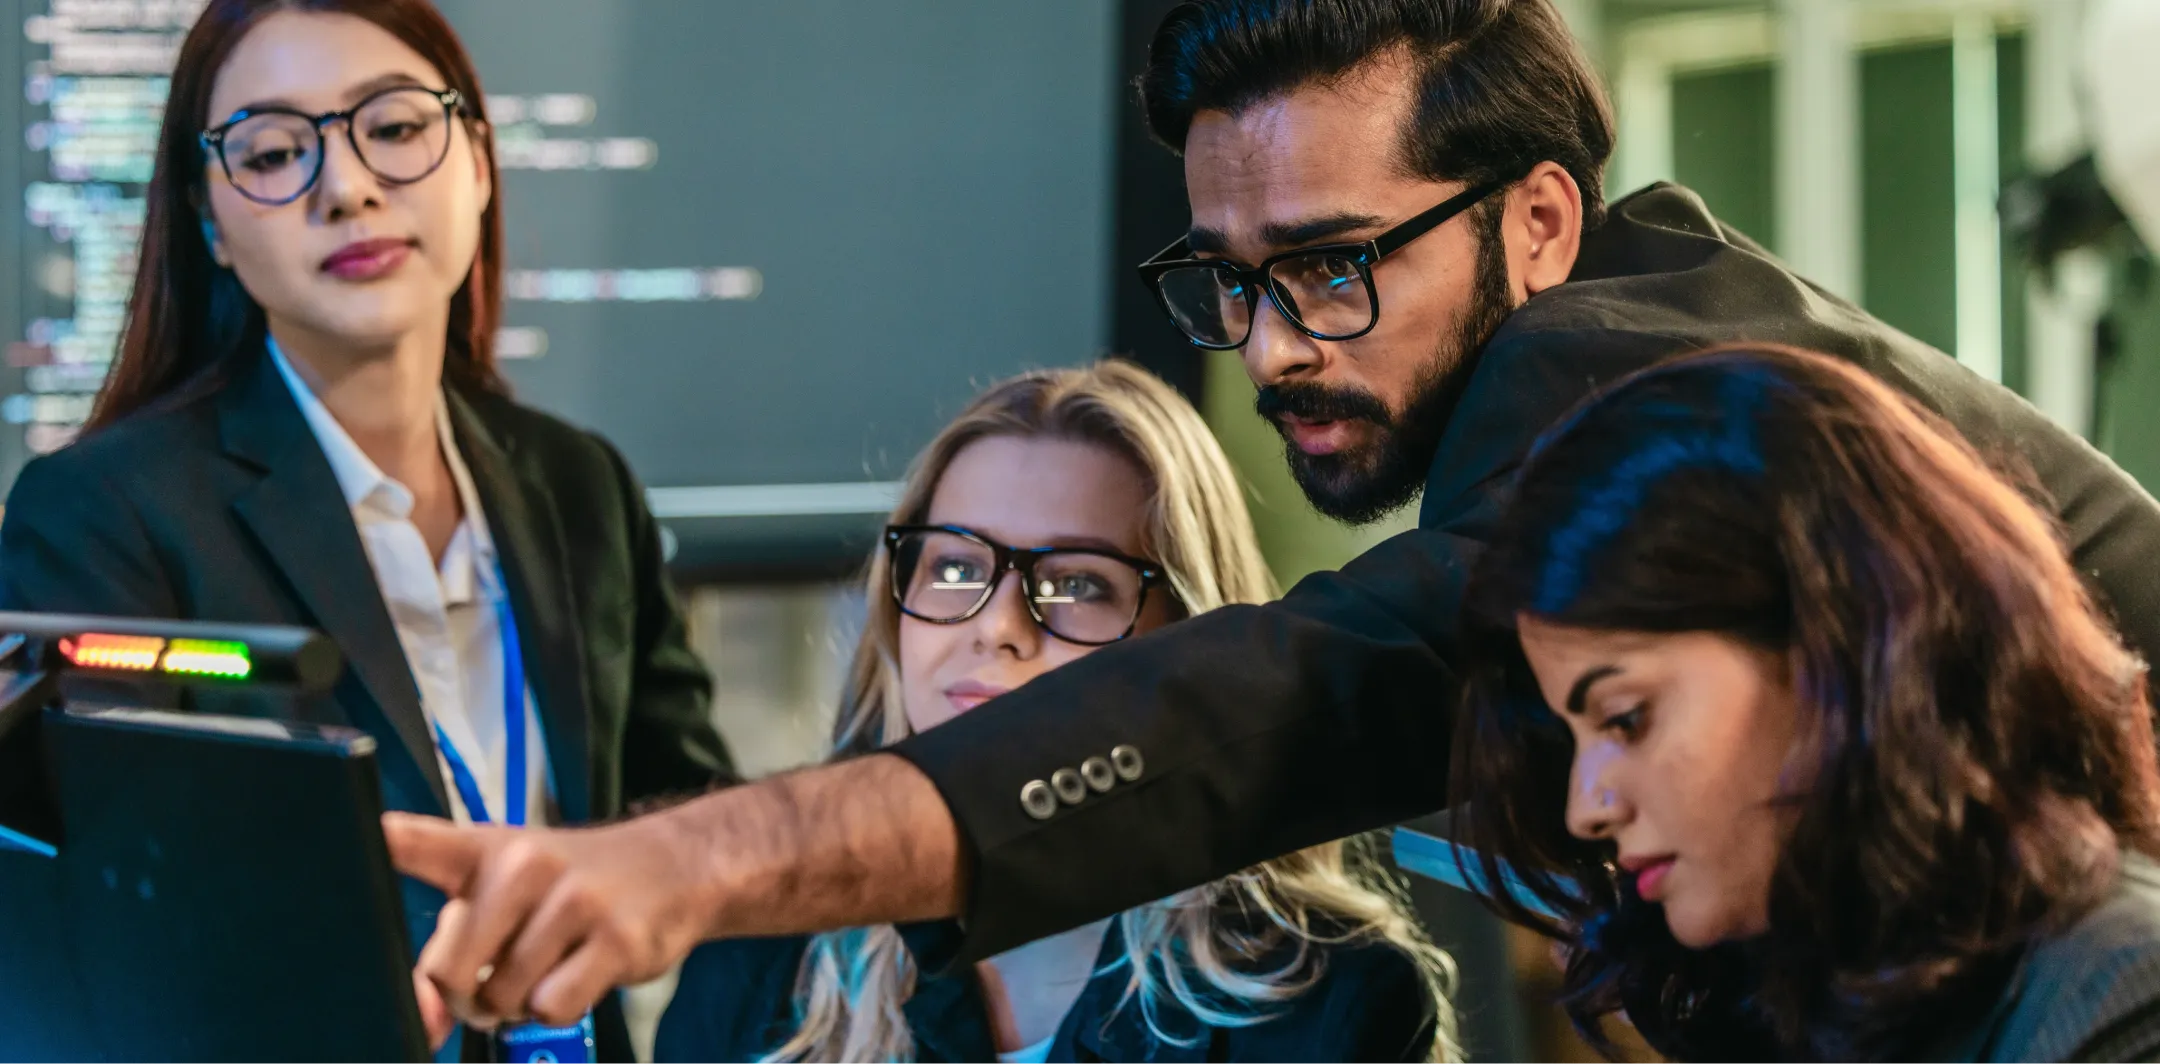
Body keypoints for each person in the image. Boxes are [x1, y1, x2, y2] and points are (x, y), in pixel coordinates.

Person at [382, 0, 2160, 1035]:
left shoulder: (1605, 387)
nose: (1274, 345)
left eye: (1331, 268)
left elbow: (1285, 695)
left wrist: (690, 858)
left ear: (1538, 220)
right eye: (1229, 280)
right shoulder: (1645, 333)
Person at [0, 1, 735, 1059]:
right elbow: (132, 927)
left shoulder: (579, 482)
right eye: (272, 152)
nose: (346, 187)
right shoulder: (107, 511)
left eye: (393, 128)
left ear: (479, 163)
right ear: (212, 223)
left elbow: (698, 823)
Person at [655, 361, 1455, 1064]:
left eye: (1078, 584)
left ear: (1193, 645)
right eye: (958, 566)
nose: (997, 627)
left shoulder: (1332, 1006)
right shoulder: (754, 966)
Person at [1448, 345, 2160, 1063]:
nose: (1586, 808)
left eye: (1627, 719)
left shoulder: (2123, 996)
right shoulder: (1835, 999)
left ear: (1841, 650)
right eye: (1572, 740)